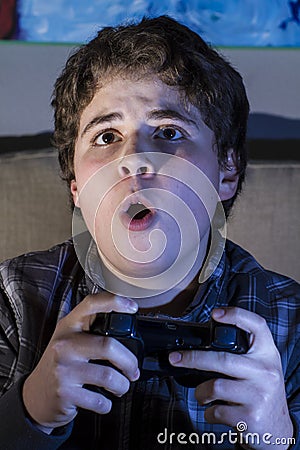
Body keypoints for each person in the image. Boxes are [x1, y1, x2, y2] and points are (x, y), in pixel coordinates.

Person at [0, 15, 299, 450]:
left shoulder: (292, 323)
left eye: (169, 132)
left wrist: (279, 437)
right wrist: (27, 413)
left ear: (227, 172)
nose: (135, 158)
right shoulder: (12, 299)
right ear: (77, 187)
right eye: (106, 137)